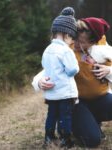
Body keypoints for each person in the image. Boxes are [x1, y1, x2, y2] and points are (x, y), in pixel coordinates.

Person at [32, 16, 112, 148]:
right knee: (93, 141)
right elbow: (46, 71)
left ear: (93, 42)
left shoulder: (101, 49)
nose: (78, 45)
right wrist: (39, 82)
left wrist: (109, 70)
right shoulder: (65, 51)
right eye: (76, 40)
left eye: (83, 42)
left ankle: (92, 119)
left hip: (99, 99)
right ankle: (75, 123)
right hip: (75, 103)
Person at [41, 7, 79, 148]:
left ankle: (49, 138)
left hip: (51, 93)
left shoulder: (47, 49)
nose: (71, 41)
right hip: (65, 92)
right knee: (65, 116)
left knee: (52, 115)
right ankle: (65, 139)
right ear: (67, 34)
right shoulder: (65, 50)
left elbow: (45, 66)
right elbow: (72, 69)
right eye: (71, 37)